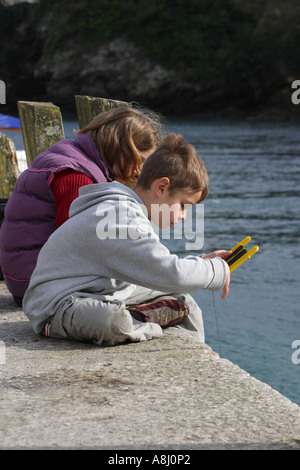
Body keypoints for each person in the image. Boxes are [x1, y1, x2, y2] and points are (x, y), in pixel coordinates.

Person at [23, 133, 231, 346]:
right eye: (183, 206)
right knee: (110, 320)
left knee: (184, 301)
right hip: (57, 305)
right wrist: (215, 271)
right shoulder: (118, 215)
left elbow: (153, 266)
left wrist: (202, 261)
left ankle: (191, 368)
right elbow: (168, 272)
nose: (184, 216)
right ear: (161, 187)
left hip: (98, 292)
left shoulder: (130, 211)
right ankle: (147, 325)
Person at [0, 106, 162, 305]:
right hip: (38, 284)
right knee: (153, 286)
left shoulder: (71, 156)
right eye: (141, 160)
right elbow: (81, 244)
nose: (141, 171)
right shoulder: (77, 177)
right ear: (122, 148)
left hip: (26, 276)